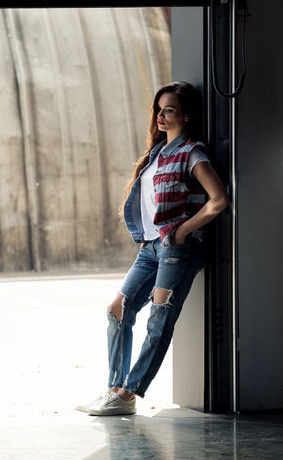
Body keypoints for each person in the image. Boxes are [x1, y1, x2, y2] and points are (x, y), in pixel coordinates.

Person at [78, 81, 230, 416]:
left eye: (170, 110)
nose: (161, 115)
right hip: (152, 246)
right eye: (159, 109)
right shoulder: (158, 152)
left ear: (186, 115)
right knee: (117, 310)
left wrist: (181, 231)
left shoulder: (192, 153)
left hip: (177, 249)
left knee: (158, 321)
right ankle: (114, 388)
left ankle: (128, 394)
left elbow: (219, 200)